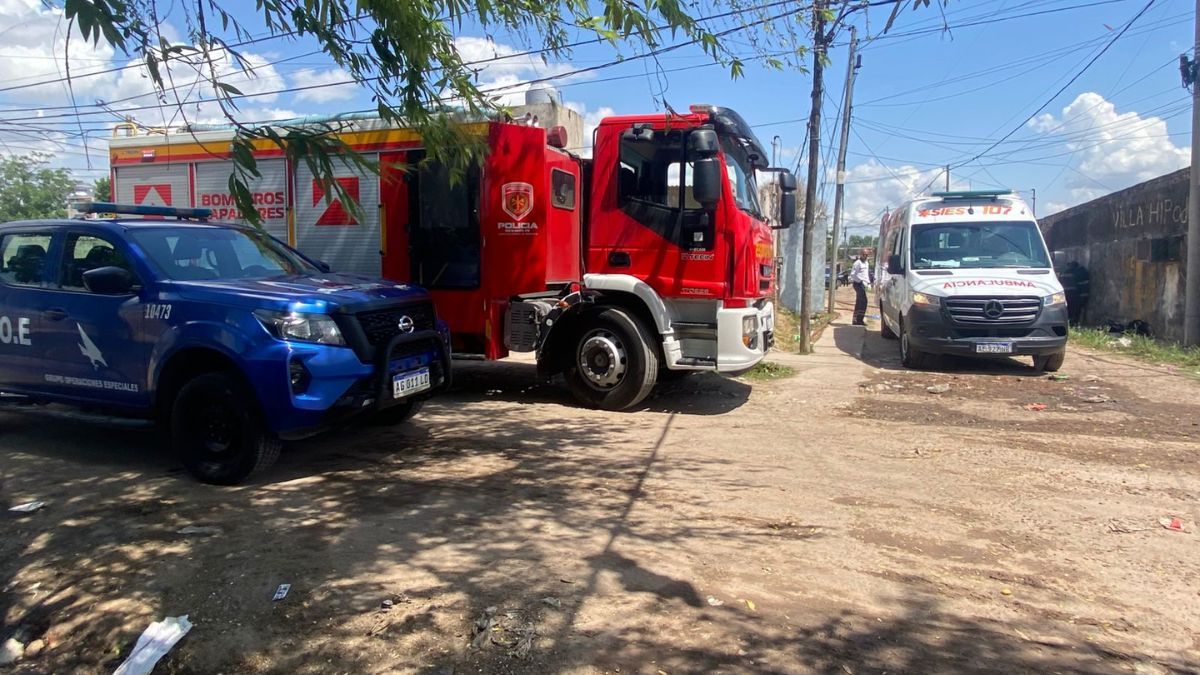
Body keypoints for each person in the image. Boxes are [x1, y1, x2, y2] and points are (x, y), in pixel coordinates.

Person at [851, 247, 871, 325]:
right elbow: (853, 275)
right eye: (864, 254)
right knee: (863, 301)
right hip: (858, 284)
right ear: (860, 254)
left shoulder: (866, 263)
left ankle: (857, 320)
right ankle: (858, 320)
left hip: (864, 284)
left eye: (866, 255)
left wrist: (868, 283)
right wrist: (860, 281)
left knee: (860, 302)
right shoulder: (857, 263)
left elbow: (866, 275)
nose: (865, 256)